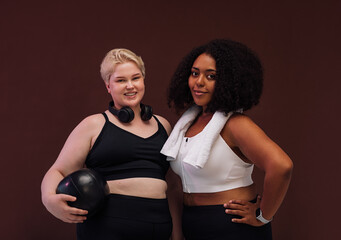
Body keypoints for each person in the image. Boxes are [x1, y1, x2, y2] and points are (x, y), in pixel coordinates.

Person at [161, 39, 293, 240]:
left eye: (211, 76)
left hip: (231, 226)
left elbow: (282, 166)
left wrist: (264, 216)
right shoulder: (188, 122)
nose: (199, 82)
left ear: (228, 82)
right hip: (193, 222)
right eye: (195, 73)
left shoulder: (235, 123)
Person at [41, 48, 175, 240]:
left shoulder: (164, 126)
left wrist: (177, 233)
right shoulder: (93, 125)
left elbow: (173, 185)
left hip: (158, 228)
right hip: (107, 229)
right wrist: (49, 200)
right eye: (121, 80)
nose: (130, 86)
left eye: (135, 78)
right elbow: (58, 171)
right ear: (108, 86)